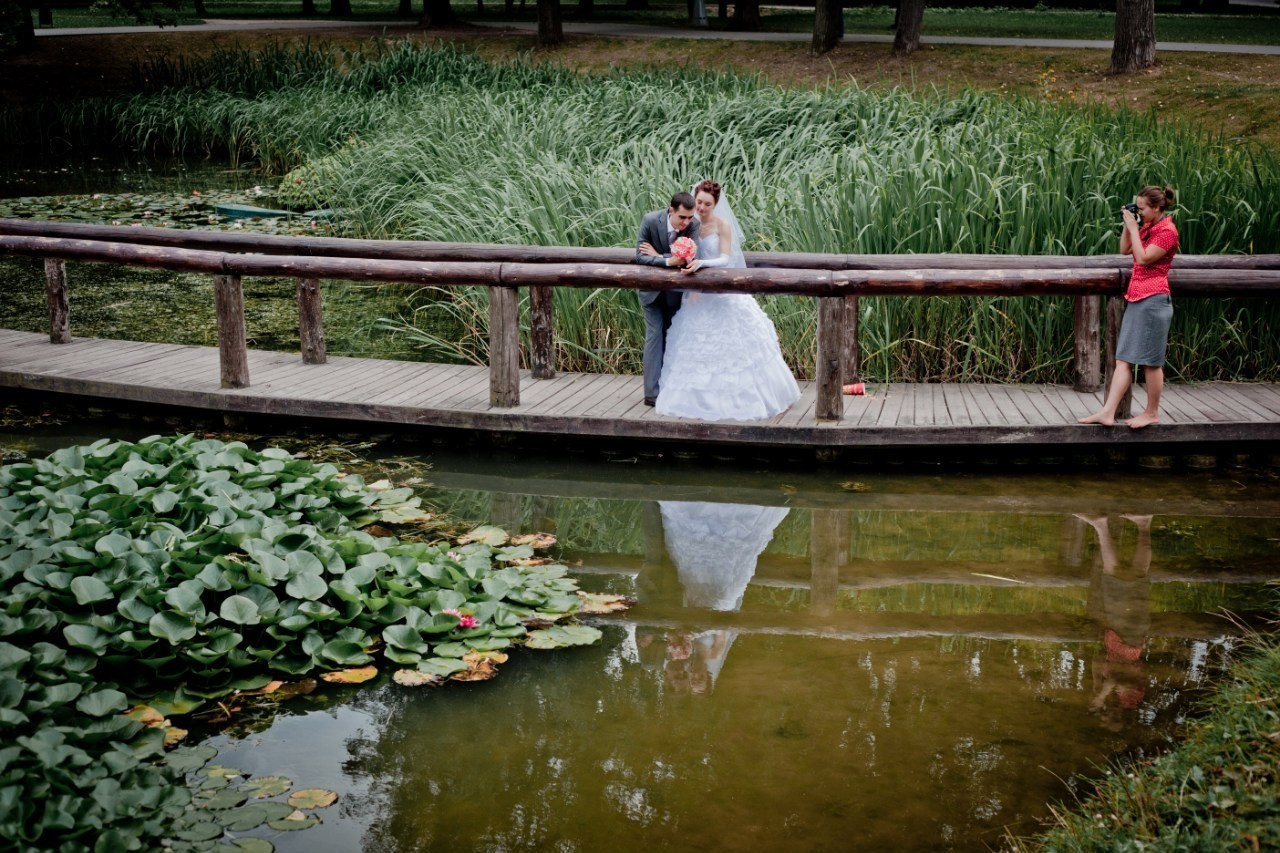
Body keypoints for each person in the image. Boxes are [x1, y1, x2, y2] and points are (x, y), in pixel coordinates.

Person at [644, 180, 801, 422]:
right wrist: (670, 260)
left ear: (716, 204)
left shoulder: (722, 225)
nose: (702, 208)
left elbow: (725, 259)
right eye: (699, 203)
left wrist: (701, 264)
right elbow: (680, 253)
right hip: (696, 292)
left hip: (721, 287)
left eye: (708, 204)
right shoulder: (689, 224)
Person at [1079, 186, 1179, 429]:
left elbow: (1144, 258)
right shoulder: (1147, 227)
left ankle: (1152, 412)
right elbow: (1125, 250)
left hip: (1154, 300)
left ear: (1156, 207)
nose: (1140, 212)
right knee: (1123, 359)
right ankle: (1107, 411)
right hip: (1137, 298)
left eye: (1142, 208)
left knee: (1151, 362)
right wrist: (1129, 224)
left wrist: (1135, 228)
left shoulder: (1167, 231)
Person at [634, 192, 701, 406]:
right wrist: (668, 261)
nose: (686, 222)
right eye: (682, 217)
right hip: (651, 291)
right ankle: (651, 393)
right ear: (671, 210)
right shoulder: (650, 220)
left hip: (676, 293)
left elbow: (689, 259)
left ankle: (671, 388)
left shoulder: (693, 225)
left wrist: (660, 256)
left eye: (690, 218)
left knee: (673, 337)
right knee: (654, 336)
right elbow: (640, 257)